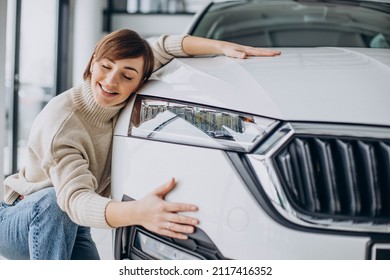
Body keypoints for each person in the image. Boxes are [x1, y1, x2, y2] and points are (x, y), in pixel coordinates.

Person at [0, 29, 281, 260]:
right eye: (105, 66)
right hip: (20, 218)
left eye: (127, 75)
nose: (111, 81)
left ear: (141, 79)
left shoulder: (132, 80)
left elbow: (164, 46)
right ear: (92, 62)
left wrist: (222, 47)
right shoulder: (63, 121)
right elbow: (72, 201)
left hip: (70, 225)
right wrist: (140, 213)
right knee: (52, 202)